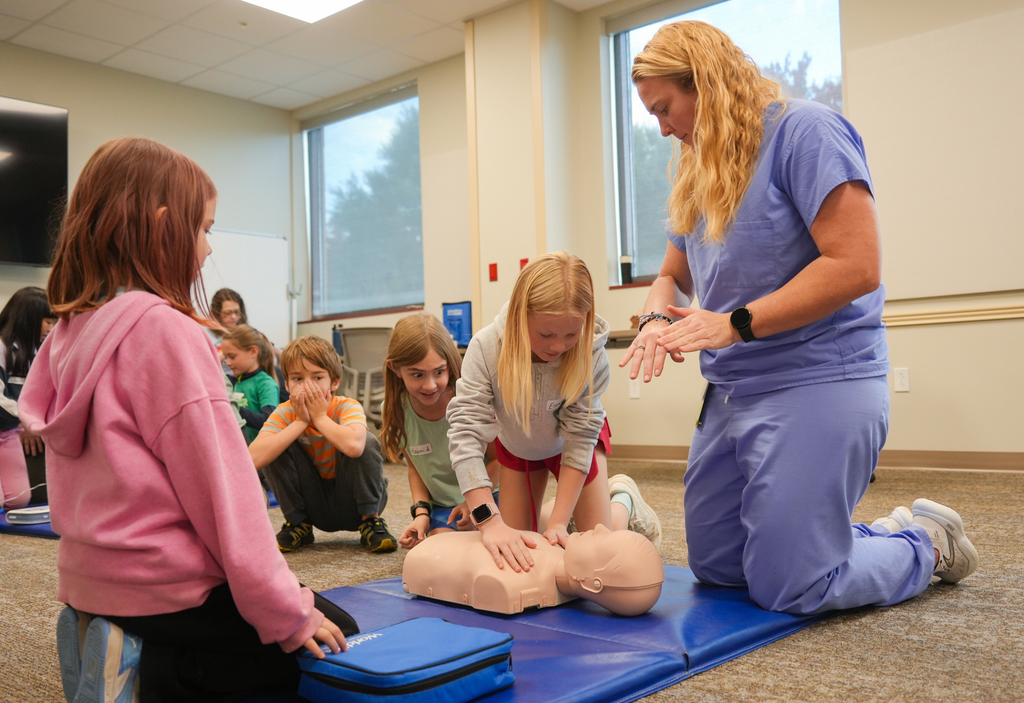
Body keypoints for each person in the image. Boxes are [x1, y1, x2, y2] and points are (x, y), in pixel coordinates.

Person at [620, 21, 978, 615]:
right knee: (720, 569)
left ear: (705, 84)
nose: (662, 128)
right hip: (734, 389)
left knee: (793, 585)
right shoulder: (698, 164)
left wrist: (733, 324)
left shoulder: (805, 132)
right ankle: (852, 538)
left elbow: (856, 265)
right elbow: (671, 276)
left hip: (817, 376)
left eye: (664, 109)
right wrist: (655, 320)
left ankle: (927, 544)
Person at [19, 137, 353, 703]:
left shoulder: (69, 332)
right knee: (334, 635)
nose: (207, 247)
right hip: (166, 591)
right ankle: (153, 670)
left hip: (89, 583)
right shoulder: (165, 331)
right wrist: (288, 614)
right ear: (162, 226)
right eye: (203, 229)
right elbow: (225, 499)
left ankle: (114, 634)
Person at [447, 251, 661, 574]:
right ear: (520, 317)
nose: (559, 346)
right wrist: (488, 521)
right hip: (519, 444)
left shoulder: (591, 355)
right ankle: (563, 512)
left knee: (598, 556)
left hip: (574, 445)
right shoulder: (486, 348)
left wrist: (560, 523)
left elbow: (580, 437)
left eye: (571, 334)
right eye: (546, 334)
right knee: (520, 556)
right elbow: (465, 433)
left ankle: (622, 499)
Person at [249, 335, 397, 554]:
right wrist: (300, 422)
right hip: (313, 506)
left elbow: (356, 447)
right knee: (275, 444)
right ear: (287, 384)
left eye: (317, 377)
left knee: (365, 440)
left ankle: (371, 522)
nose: (307, 386)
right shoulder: (284, 412)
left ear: (334, 382)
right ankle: (298, 523)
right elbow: (252, 459)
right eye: (298, 378)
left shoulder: (347, 406)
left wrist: (319, 417)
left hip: (354, 503)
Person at [379, 312, 501, 549]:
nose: (430, 385)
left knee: (499, 544)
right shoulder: (395, 410)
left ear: (449, 365)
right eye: (417, 374)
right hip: (445, 507)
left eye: (439, 372)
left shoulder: (469, 400)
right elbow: (416, 469)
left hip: (490, 494)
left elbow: (499, 460)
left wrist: (475, 503)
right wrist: (421, 514)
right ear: (395, 368)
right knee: (440, 550)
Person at [403, 525, 664, 617]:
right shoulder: (548, 546)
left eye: (602, 540)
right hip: (432, 549)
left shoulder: (511, 582)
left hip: (428, 555)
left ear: (593, 584)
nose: (599, 527)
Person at [0, 286, 56, 509]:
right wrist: (27, 420)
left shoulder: (36, 351)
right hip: (13, 423)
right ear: (28, 320)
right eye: (48, 322)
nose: (51, 329)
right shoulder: (2, 348)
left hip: (9, 431)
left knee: (18, 498)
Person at [221, 324, 280, 445]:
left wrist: (233, 409)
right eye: (226, 357)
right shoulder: (237, 381)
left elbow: (268, 422)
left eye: (232, 356)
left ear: (253, 352)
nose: (227, 362)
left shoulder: (266, 384)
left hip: (259, 451)